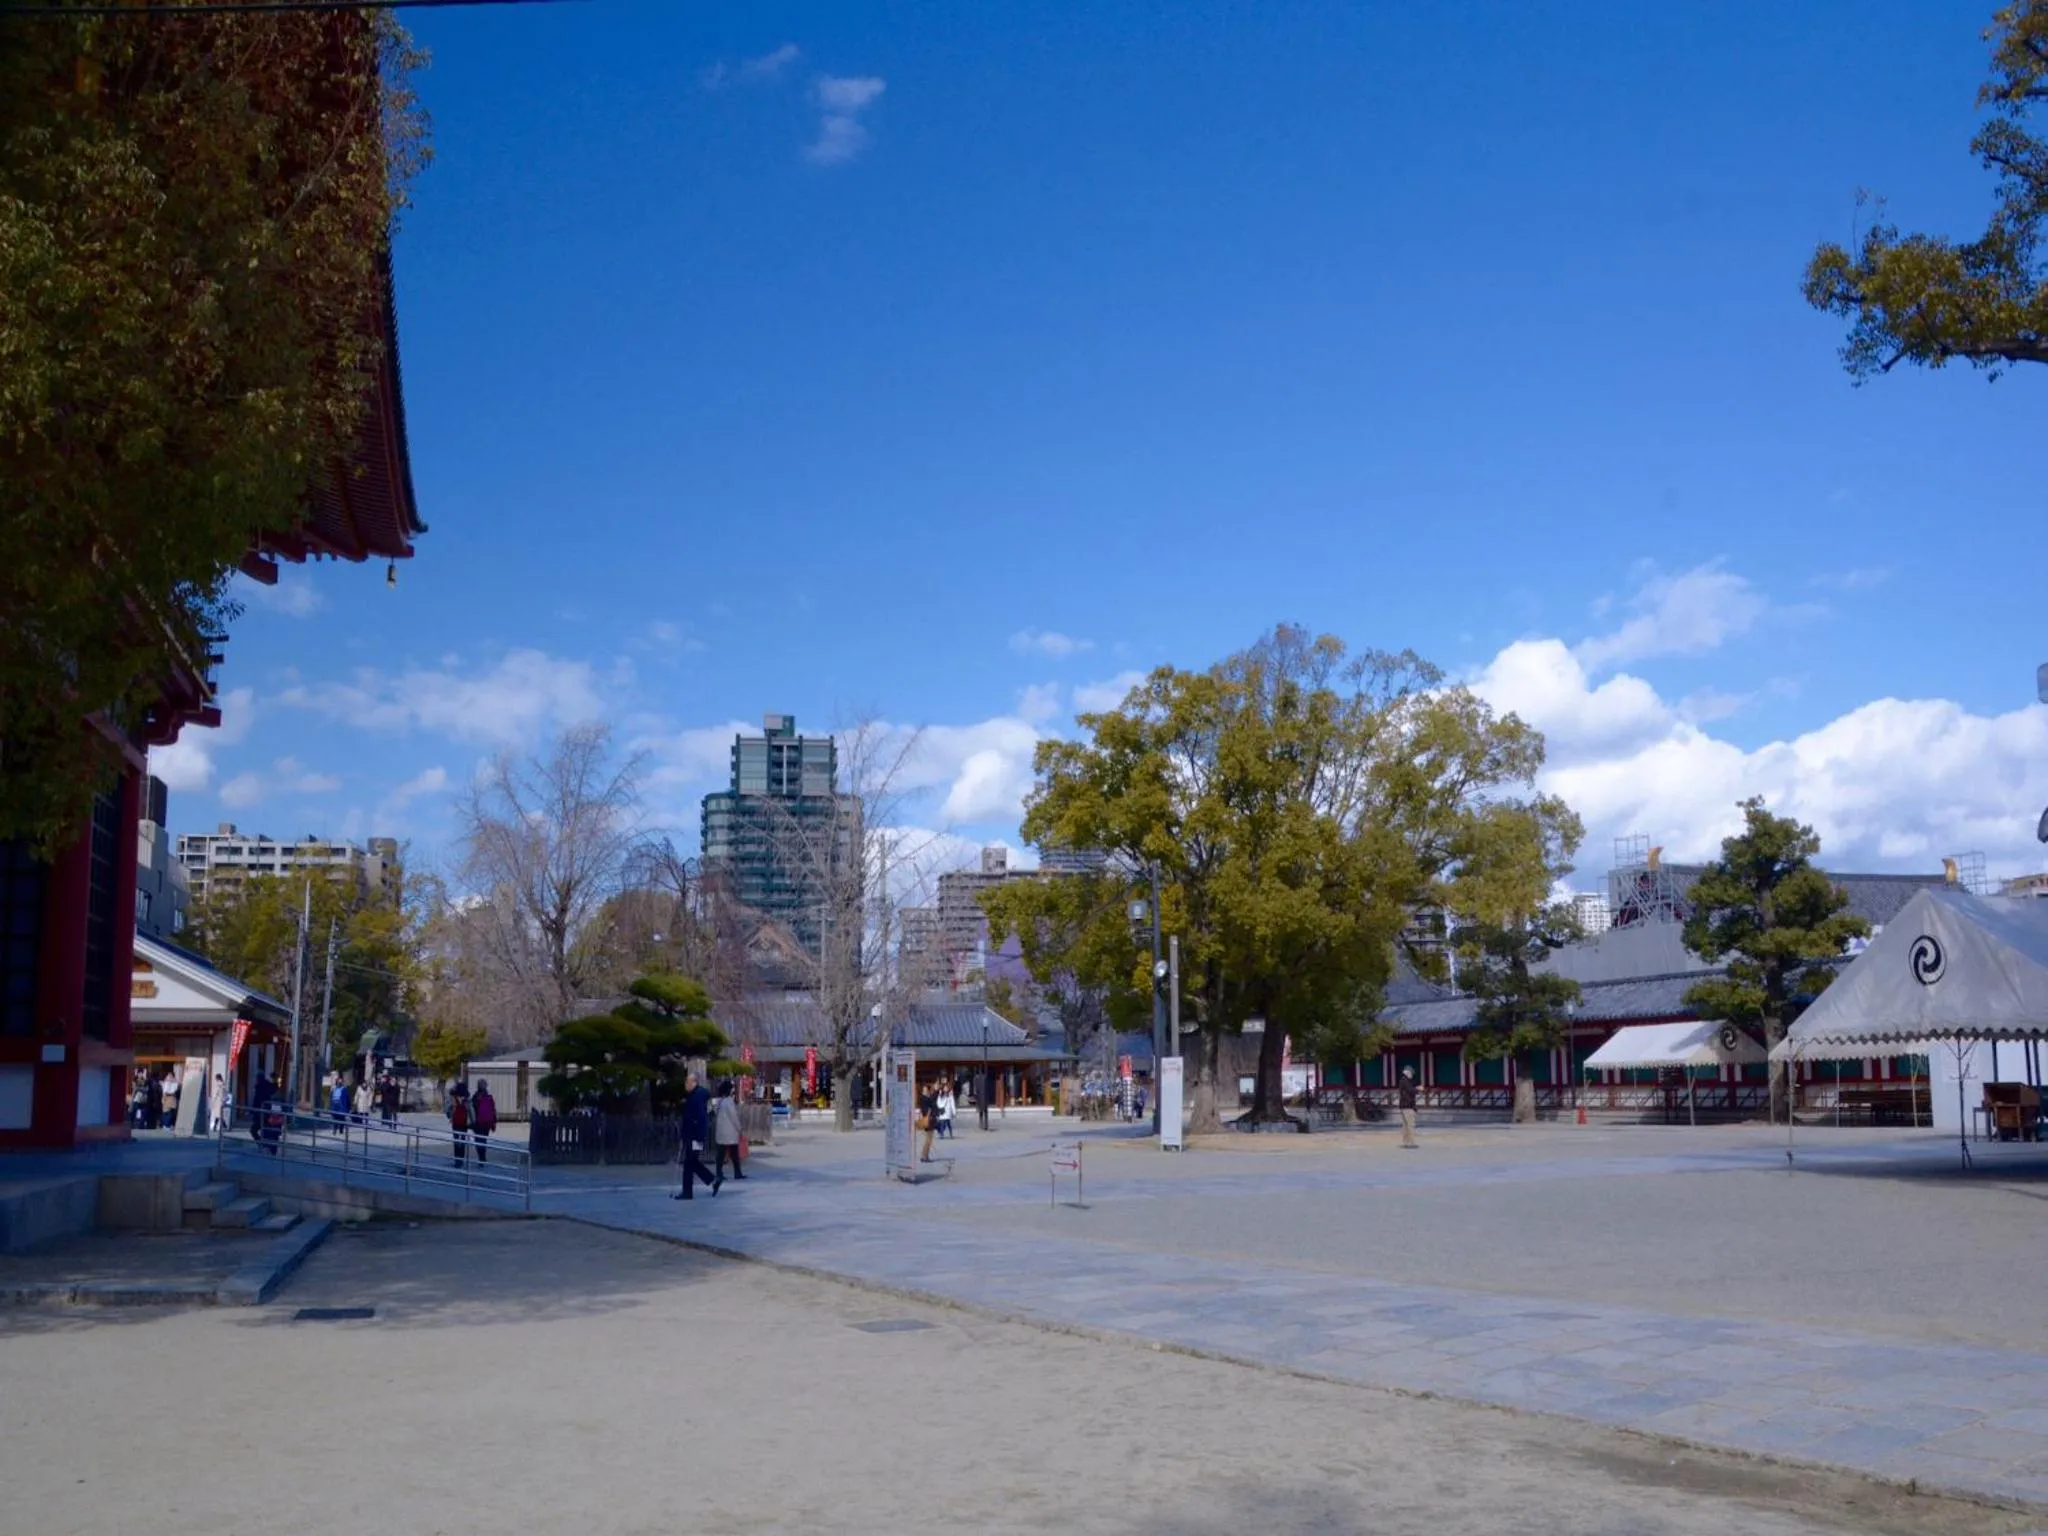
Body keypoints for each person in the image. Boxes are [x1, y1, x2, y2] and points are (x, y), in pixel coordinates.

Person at [672, 1070, 721, 1199]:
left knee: (690, 1162)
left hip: (695, 1135)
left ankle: (706, 1182)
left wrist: (697, 1135)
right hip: (692, 1134)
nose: (685, 1084)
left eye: (687, 1081)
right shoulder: (693, 1095)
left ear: (694, 1082)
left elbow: (700, 1117)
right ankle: (706, 1183)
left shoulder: (696, 1097)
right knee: (691, 1162)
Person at [712, 1079, 744, 1182]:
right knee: (734, 1154)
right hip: (730, 1132)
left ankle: (719, 1173)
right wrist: (739, 1128)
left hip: (721, 1132)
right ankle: (737, 1172)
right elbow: (734, 1117)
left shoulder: (719, 1102)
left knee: (720, 1154)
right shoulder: (729, 1102)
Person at [445, 1081, 471, 1164]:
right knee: (463, 1141)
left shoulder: (453, 1098)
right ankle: (461, 1159)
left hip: (455, 1122)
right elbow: (471, 1110)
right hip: (464, 1123)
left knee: (456, 1141)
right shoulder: (467, 1098)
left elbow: (447, 1109)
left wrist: (449, 1116)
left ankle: (457, 1160)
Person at [471, 1080, 497, 1164]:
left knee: (478, 1140)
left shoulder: (475, 1097)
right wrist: (494, 1123)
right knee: (484, 1140)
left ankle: (481, 1157)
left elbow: (472, 1110)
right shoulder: (489, 1097)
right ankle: (483, 1156)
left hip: (478, 1123)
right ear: (486, 1086)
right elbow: (493, 1110)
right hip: (487, 1123)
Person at [917, 1081, 939, 1163]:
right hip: (928, 1120)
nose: (926, 1091)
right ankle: (924, 1156)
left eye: (927, 1090)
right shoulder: (924, 1098)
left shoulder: (926, 1098)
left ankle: (925, 1155)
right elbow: (931, 1101)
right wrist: (936, 1091)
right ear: (922, 1091)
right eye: (925, 1090)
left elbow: (932, 1102)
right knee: (928, 1140)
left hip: (930, 1120)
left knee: (929, 1139)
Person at [1398, 1066, 1419, 1150]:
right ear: (1408, 1072)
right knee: (1410, 1125)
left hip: (1404, 1106)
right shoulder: (1405, 1081)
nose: (1412, 1075)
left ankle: (1406, 1142)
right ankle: (1411, 1142)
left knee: (1405, 1125)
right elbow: (1411, 1090)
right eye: (1411, 1073)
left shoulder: (1403, 1081)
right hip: (1408, 1106)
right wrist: (1418, 1089)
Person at [160, 1068, 181, 1132]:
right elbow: (165, 1091)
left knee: (170, 1113)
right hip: (166, 1098)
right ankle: (166, 1125)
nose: (169, 1077)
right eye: (168, 1076)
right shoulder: (165, 1082)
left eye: (170, 1076)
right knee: (166, 1112)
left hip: (172, 1099)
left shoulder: (174, 1083)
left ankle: (168, 1125)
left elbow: (176, 1088)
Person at [209, 1073, 229, 1137]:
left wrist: (213, 1101)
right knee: (219, 1115)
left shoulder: (219, 1085)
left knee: (218, 1115)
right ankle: (223, 1125)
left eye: (216, 1078)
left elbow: (216, 1093)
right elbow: (226, 1093)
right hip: (222, 1101)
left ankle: (222, 1125)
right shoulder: (223, 1084)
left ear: (217, 1078)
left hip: (218, 1101)